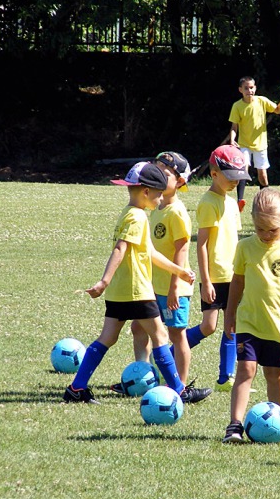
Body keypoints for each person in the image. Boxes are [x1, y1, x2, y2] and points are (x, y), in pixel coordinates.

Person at [63, 162, 206, 405]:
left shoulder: (127, 213)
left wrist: (179, 271)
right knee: (160, 336)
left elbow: (148, 251)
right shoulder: (138, 217)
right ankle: (179, 391)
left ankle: (76, 388)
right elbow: (121, 248)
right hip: (137, 291)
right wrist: (103, 281)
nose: (161, 199)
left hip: (120, 291)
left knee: (107, 338)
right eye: (159, 194)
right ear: (146, 192)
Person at [221, 188, 280, 443]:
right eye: (260, 229)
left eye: (272, 230)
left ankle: (279, 423)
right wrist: (230, 315)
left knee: (274, 374)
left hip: (278, 326)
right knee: (245, 369)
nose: (265, 235)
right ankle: (234, 426)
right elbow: (237, 284)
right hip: (248, 322)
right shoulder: (244, 247)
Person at [119, 152, 212, 403]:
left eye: (167, 173)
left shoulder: (177, 212)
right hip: (152, 285)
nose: (160, 176)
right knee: (138, 327)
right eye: (157, 170)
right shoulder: (155, 207)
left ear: (181, 182)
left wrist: (174, 287)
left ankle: (178, 387)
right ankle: (142, 377)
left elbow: (182, 249)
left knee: (176, 334)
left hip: (174, 288)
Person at [185, 145, 249, 392]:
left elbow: (235, 240)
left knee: (231, 325)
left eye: (239, 178)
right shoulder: (208, 203)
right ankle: (169, 355)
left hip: (234, 275)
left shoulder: (232, 204)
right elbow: (201, 245)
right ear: (214, 174)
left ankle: (226, 378)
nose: (235, 182)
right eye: (231, 177)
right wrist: (207, 281)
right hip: (214, 276)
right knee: (209, 327)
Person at [228, 76, 280, 211]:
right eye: (246, 88)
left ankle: (265, 200)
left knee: (263, 175)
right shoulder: (237, 106)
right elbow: (234, 127)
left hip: (260, 145)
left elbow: (278, 110)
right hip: (244, 144)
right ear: (240, 90)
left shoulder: (262, 101)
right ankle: (240, 201)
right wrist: (233, 140)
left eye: (251, 87)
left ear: (255, 88)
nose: (249, 90)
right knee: (243, 169)